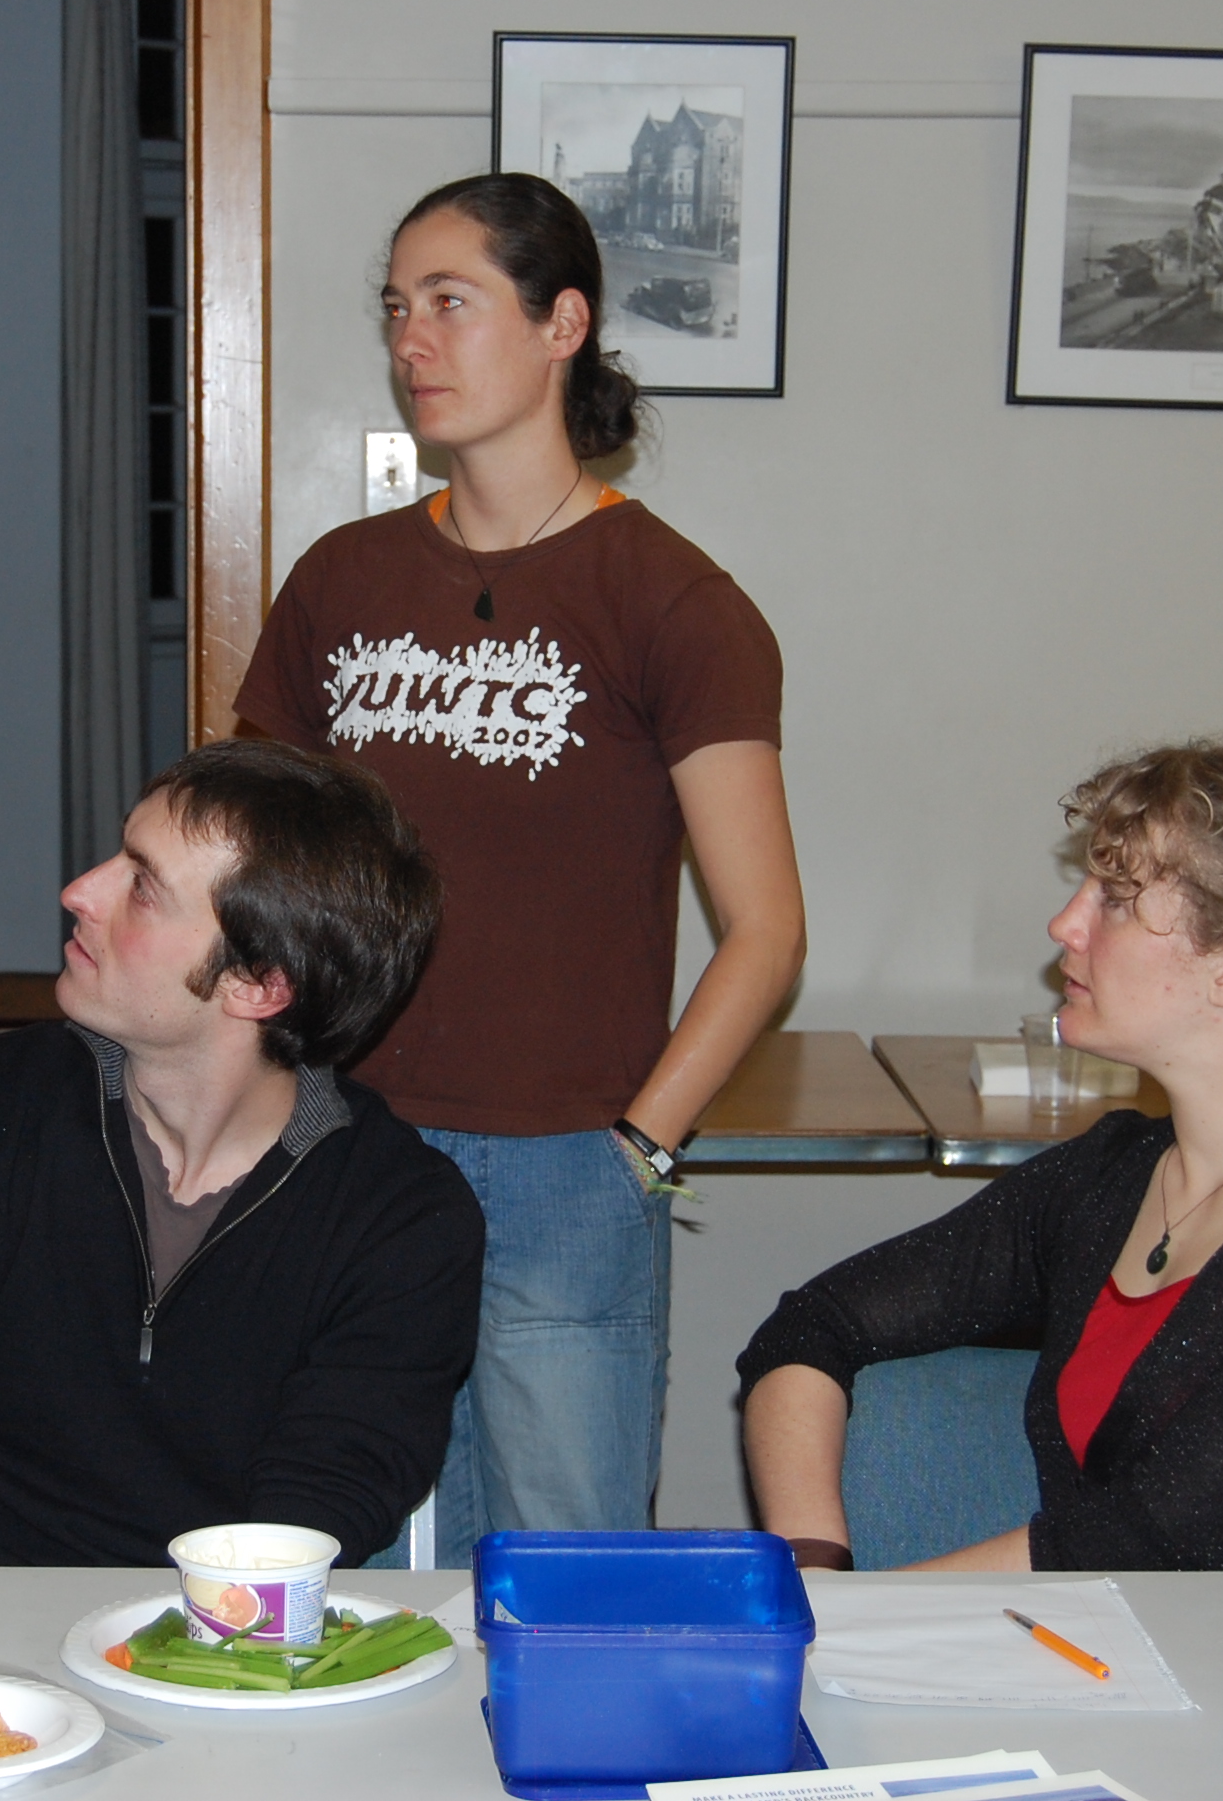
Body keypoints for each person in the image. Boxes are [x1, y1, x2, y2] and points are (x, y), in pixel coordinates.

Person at [231, 173, 803, 1561]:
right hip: (343, 1138)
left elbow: (766, 931)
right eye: (395, 307)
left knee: (566, 1566)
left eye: (452, 301)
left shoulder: (672, 601)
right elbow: (244, 865)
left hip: (567, 1166)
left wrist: (639, 1148)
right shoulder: (340, 580)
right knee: (350, 1565)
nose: (411, 340)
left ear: (562, 325)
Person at [738, 741, 1223, 1572]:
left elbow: (1148, 1541)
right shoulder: (1109, 1178)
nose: (1064, 925)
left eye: (1114, 899)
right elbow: (813, 1327)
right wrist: (814, 1570)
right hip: (1102, 1639)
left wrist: (863, 1621)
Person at [0, 739, 483, 1567]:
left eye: (142, 886)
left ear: (260, 984)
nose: (79, 891)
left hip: (207, 1629)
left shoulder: (401, 1219)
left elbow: (302, 1535)